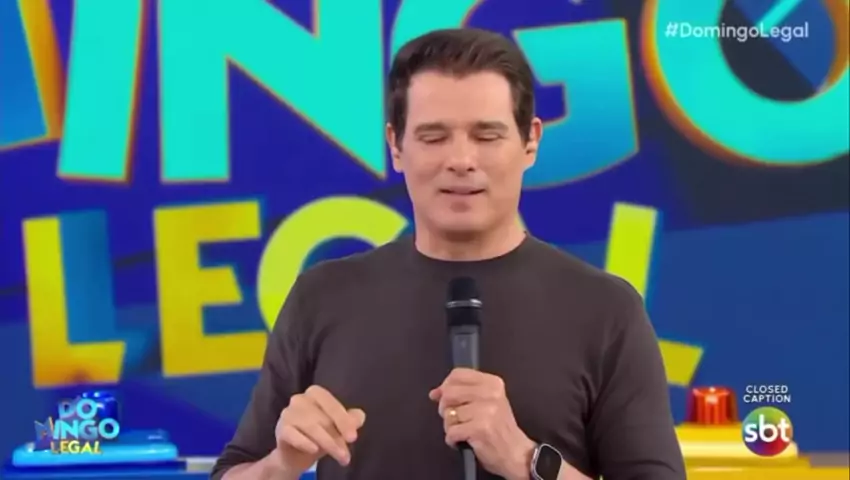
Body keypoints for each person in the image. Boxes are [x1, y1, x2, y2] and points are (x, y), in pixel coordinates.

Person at [212, 28, 685, 480]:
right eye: (434, 137)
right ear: (396, 146)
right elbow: (236, 469)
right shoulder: (323, 296)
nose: (460, 160)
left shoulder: (605, 311)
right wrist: (282, 464)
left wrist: (527, 460)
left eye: (487, 135)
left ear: (531, 141)